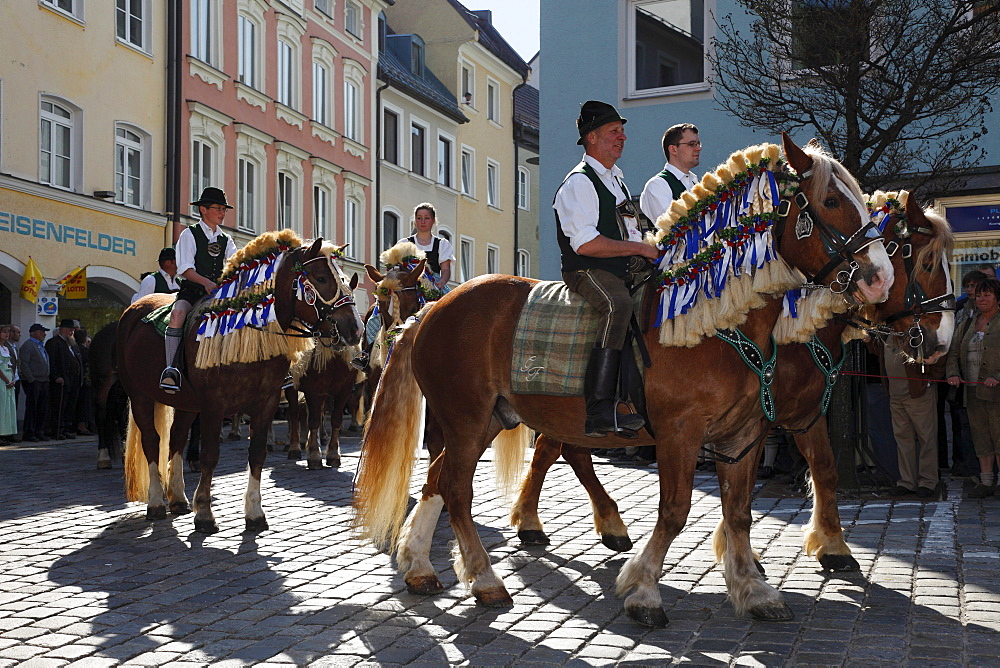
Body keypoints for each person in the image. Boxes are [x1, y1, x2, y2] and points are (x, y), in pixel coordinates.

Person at [553, 100, 659, 437]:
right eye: (614, 131)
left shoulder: (617, 181)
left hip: (621, 268)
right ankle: (598, 409)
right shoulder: (579, 183)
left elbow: (630, 231)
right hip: (586, 270)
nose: (623, 137)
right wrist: (639, 248)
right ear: (592, 138)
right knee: (619, 304)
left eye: (622, 131)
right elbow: (584, 244)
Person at [159, 187, 238, 393]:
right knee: (177, 314)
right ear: (203, 209)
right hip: (193, 292)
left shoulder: (226, 239)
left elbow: (234, 265)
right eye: (218, 208)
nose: (222, 212)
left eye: (224, 209)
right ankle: (171, 368)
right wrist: (206, 282)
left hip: (219, 295)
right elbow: (185, 268)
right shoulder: (189, 234)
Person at [947, 277, 1000, 498]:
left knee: (999, 437)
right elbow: (954, 353)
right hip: (972, 393)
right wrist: (953, 374)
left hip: (997, 394)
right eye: (979, 295)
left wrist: (997, 376)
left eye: (986, 295)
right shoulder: (967, 323)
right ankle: (986, 482)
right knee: (980, 437)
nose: (981, 299)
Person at [880, 336, 944, 497]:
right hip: (895, 395)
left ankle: (928, 482)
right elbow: (877, 351)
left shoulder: (918, 332)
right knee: (902, 438)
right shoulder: (887, 334)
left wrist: (928, 380)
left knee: (926, 437)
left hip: (918, 393)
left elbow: (941, 355)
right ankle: (907, 481)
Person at [639, 123, 702, 224]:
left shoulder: (694, 182)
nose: (698, 148)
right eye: (692, 144)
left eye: (698, 143)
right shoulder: (657, 185)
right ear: (673, 149)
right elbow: (671, 226)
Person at [400, 203, 453, 291]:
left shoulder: (442, 244)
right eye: (419, 218)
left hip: (433, 286)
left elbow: (445, 269)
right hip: (409, 287)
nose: (423, 222)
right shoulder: (405, 243)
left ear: (433, 220)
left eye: (427, 218)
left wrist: (441, 282)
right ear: (415, 220)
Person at [46, 319, 82, 439]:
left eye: (72, 330)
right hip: (61, 380)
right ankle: (57, 430)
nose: (71, 332)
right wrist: (56, 376)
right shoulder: (54, 343)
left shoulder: (72, 344)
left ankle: (67, 428)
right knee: (59, 406)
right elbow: (52, 361)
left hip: (73, 381)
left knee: (70, 406)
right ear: (62, 330)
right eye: (69, 330)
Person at [19, 324, 50, 443]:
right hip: (34, 381)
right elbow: (24, 364)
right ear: (34, 333)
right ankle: (29, 432)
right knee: (32, 407)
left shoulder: (40, 346)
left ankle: (39, 431)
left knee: (41, 408)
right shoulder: (28, 345)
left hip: (43, 380)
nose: (44, 334)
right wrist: (31, 379)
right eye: (41, 332)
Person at [0, 325, 17, 445]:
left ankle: (6, 433)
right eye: (4, 332)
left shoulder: (5, 348)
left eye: (8, 332)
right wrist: (6, 380)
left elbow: (10, 366)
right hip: (2, 380)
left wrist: (12, 379)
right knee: (2, 407)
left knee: (8, 407)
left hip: (9, 380)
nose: (6, 334)